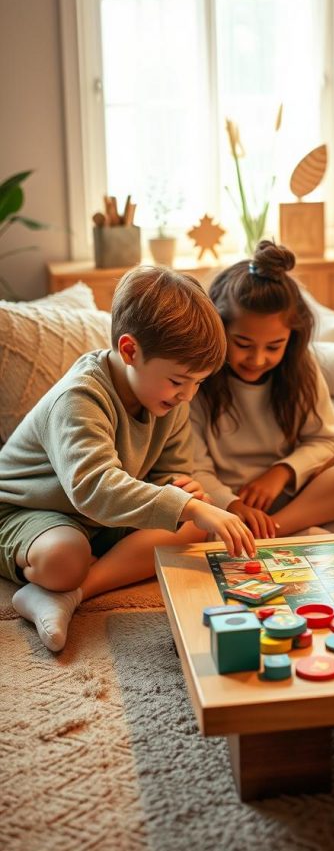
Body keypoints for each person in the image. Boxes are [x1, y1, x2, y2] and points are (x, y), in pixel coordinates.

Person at [0, 266, 258, 653]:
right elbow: (94, 488)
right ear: (130, 351)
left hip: (101, 520)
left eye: (198, 383)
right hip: (29, 511)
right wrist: (184, 504)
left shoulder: (170, 398)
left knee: (191, 526)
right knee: (65, 557)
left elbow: (170, 470)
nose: (187, 395)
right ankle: (60, 580)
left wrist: (181, 488)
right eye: (178, 381)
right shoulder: (79, 398)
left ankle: (72, 595)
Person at [190, 241, 334, 538]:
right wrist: (233, 503)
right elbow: (194, 468)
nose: (258, 359)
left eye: (274, 346)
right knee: (181, 517)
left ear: (292, 338)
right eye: (243, 344)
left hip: (294, 497)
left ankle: (272, 532)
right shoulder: (197, 381)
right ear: (218, 328)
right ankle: (288, 531)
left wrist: (282, 472)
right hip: (226, 505)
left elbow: (327, 441)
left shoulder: (302, 369)